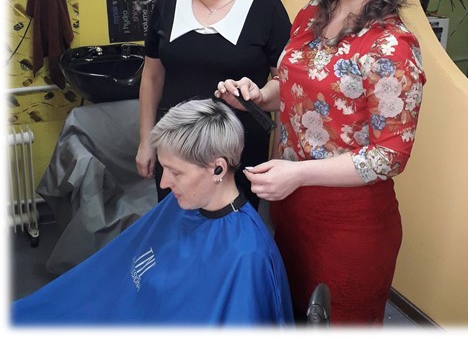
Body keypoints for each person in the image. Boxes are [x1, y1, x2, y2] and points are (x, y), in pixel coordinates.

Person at [215, 0, 427, 324]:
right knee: (290, 313)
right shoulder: (311, 17)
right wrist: (259, 95)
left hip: (350, 224)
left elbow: (389, 156)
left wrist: (298, 174)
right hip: (291, 207)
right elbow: (290, 85)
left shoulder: (392, 47)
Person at [12, 99, 294, 326]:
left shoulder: (247, 255)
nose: (163, 183)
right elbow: (117, 268)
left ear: (218, 168)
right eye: (163, 168)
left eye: (175, 172)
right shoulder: (182, 206)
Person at [135, 0, 291, 209]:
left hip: (240, 152)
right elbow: (152, 77)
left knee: (232, 228)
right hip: (175, 149)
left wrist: (278, 155)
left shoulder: (267, 10)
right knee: (177, 224)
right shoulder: (167, 4)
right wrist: (146, 141)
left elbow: (286, 85)